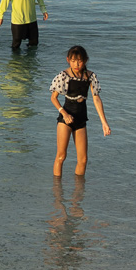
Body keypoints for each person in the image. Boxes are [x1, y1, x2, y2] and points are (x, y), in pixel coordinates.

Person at [49, 45, 111, 176]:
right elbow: (53, 98)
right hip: (65, 119)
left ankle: (78, 193)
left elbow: (96, 99)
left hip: (81, 119)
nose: (76, 64)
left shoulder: (90, 77)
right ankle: (57, 192)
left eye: (79, 60)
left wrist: (104, 123)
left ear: (85, 60)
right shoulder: (64, 76)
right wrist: (64, 114)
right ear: (68, 60)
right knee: (61, 156)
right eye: (73, 60)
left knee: (83, 160)